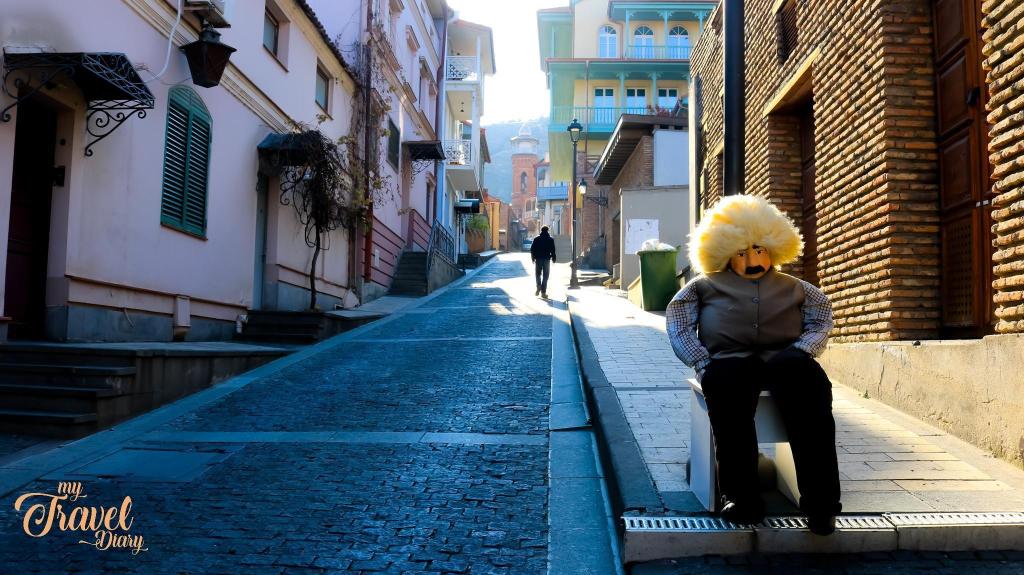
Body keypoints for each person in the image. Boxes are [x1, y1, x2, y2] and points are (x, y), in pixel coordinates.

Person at [666, 195, 841, 536]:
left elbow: (822, 317)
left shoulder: (796, 287)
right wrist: (701, 361)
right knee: (727, 403)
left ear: (774, 248)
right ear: (725, 253)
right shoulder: (703, 286)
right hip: (730, 361)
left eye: (759, 250)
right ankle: (742, 497)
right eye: (742, 253)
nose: (752, 260)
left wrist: (804, 348)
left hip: (785, 359)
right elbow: (678, 322)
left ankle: (821, 503)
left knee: (813, 397)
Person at [530, 226, 556, 298]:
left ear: (541, 231)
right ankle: (543, 292)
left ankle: (538, 286)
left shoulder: (536, 239)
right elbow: (553, 250)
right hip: (547, 259)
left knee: (538, 274)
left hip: (538, 259)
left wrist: (533, 258)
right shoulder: (550, 239)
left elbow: (532, 249)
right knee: (545, 275)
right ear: (548, 231)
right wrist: (554, 258)